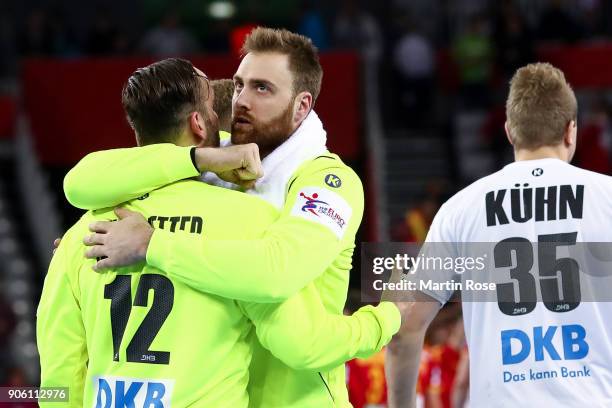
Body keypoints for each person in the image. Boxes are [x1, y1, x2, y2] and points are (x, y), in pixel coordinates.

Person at [38, 58, 400, 407]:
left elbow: (59, 377)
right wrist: (387, 316)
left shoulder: (82, 234)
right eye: (215, 108)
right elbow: (300, 343)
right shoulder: (248, 222)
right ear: (199, 124)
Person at [386, 62, 612, 407]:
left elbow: (406, 328)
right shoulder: (606, 198)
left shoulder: (460, 210)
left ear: (509, 131)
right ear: (571, 131)